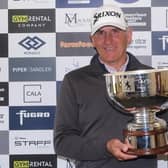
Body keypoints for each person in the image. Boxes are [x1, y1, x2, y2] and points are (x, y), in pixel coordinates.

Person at [54, 4, 168, 168]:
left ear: (128, 36)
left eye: (115, 31)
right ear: (92, 39)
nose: (108, 40)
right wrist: (105, 147)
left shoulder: (152, 78)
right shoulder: (75, 81)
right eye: (100, 33)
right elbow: (62, 142)